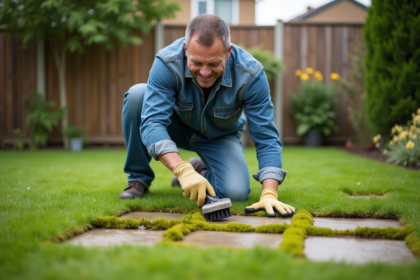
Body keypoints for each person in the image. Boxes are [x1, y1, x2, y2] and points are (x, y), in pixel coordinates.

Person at [119, 14, 295, 218]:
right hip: (176, 128)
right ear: (186, 49)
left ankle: (200, 170)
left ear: (228, 52)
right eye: (196, 63)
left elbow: (266, 136)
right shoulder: (167, 62)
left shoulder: (251, 74)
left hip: (219, 136)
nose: (204, 72)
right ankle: (138, 178)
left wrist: (270, 192)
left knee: (235, 192)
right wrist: (181, 169)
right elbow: (153, 123)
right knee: (137, 96)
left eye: (213, 64)